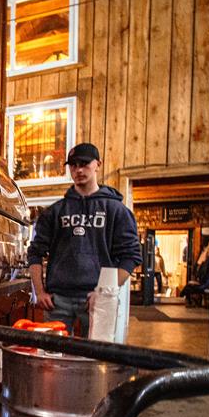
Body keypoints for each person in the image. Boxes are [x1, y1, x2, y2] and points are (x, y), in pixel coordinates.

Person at [27, 143, 142, 337]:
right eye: (73, 165)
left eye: (84, 163)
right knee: (53, 359)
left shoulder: (117, 210)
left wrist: (103, 292)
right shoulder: (55, 212)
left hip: (98, 299)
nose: (78, 170)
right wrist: (40, 292)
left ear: (98, 164)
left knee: (97, 359)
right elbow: (35, 253)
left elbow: (131, 257)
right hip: (57, 301)